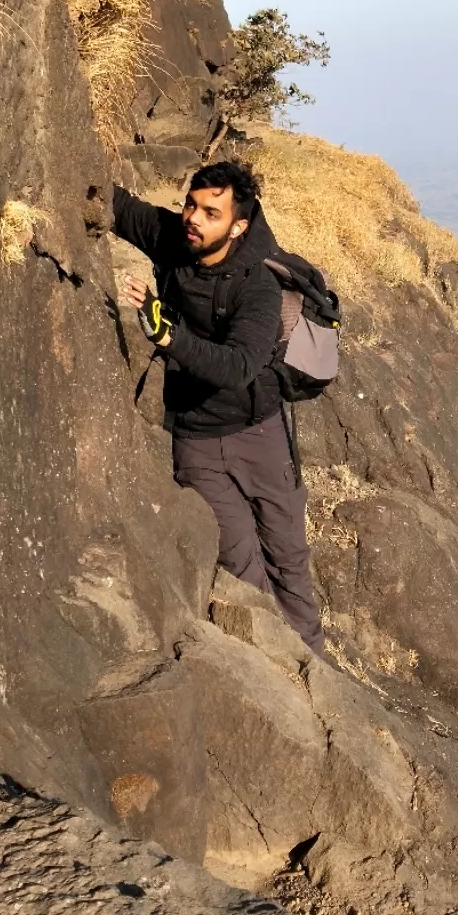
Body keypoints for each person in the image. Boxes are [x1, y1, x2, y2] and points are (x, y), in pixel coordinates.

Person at [112, 160, 324, 655]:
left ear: (238, 225)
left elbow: (238, 366)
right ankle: (275, 664)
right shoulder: (172, 238)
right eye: (191, 204)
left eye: (211, 212)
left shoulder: (258, 282)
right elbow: (114, 205)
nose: (193, 218)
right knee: (239, 561)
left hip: (259, 433)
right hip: (196, 438)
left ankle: (316, 669)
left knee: (288, 556)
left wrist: (168, 337)